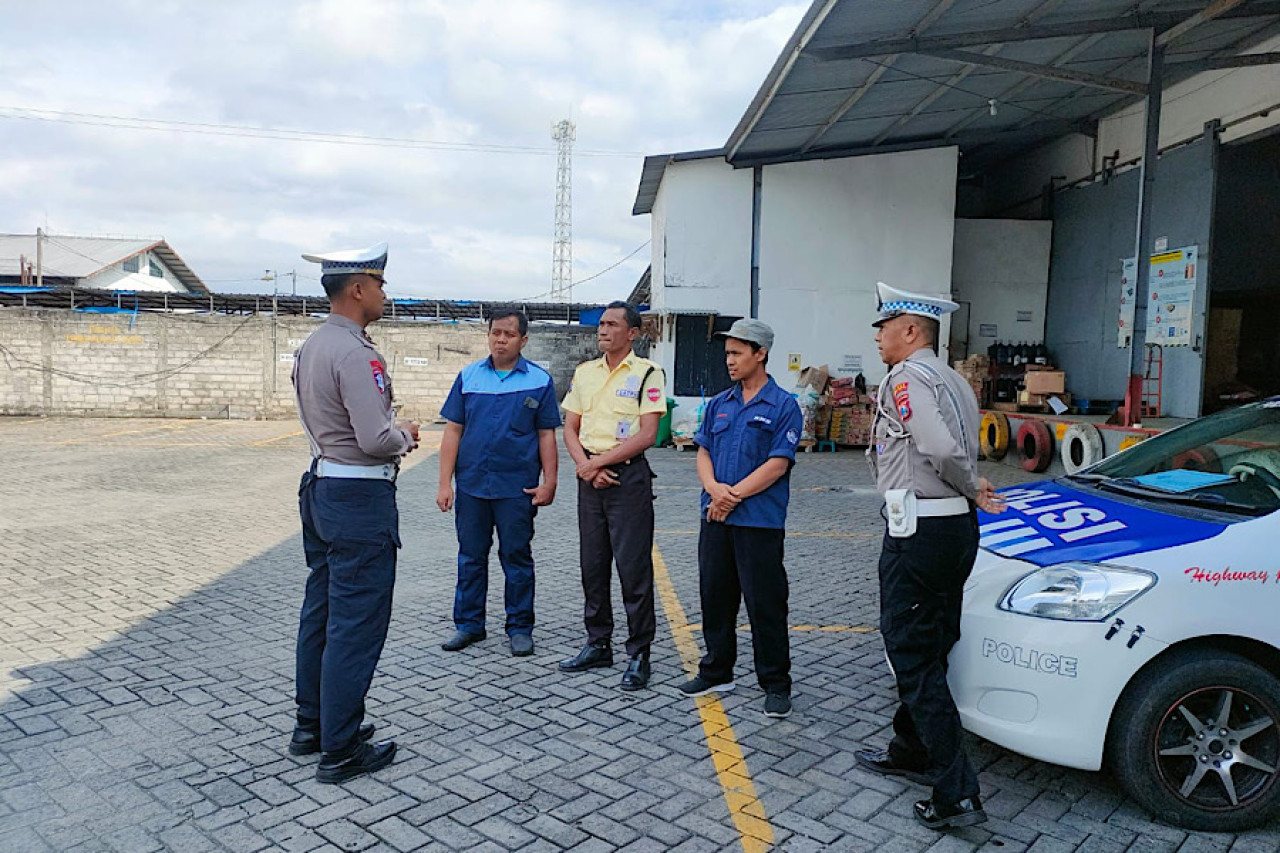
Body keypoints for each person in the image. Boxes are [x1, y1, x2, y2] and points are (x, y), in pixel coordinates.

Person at [854, 281, 1006, 828]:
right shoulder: (953, 380)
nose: (877, 336)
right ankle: (911, 749)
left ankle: (956, 793)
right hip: (953, 529)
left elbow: (940, 449)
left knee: (911, 653)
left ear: (911, 330)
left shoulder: (906, 377)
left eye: (884, 327)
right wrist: (970, 487)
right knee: (932, 643)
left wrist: (970, 484)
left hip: (919, 530)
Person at [290, 242, 419, 784]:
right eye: (380, 284)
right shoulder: (355, 353)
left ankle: (313, 726)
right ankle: (340, 749)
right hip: (358, 499)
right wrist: (404, 435)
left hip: (322, 487)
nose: (385, 294)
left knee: (321, 613)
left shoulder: (312, 345)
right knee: (355, 625)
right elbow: (373, 439)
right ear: (359, 289)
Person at [675, 319, 802, 719]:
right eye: (727, 353)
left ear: (760, 354)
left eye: (737, 353)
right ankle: (717, 670)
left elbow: (778, 464)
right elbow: (703, 451)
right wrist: (714, 489)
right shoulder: (719, 403)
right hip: (715, 517)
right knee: (715, 595)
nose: (729, 361)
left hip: (758, 522)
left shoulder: (783, 406)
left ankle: (776, 684)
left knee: (765, 603)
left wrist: (730, 498)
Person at [436, 309, 560, 657]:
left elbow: (546, 435)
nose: (501, 340)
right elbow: (453, 431)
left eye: (509, 334)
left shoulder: (539, 381)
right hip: (472, 485)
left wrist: (550, 482)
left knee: (516, 557)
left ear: (524, 340)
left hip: (517, 488)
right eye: (495, 333)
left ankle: (520, 628)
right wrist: (445, 483)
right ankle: (469, 625)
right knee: (470, 557)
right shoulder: (469, 377)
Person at [559, 301, 666, 691]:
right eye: (601, 324)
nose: (603, 330)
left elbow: (647, 434)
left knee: (633, 569)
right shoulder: (584, 373)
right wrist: (586, 466)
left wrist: (597, 464)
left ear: (632, 333)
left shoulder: (648, 373)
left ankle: (639, 653)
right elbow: (570, 428)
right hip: (591, 477)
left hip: (627, 479)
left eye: (612, 325)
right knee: (593, 564)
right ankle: (598, 642)